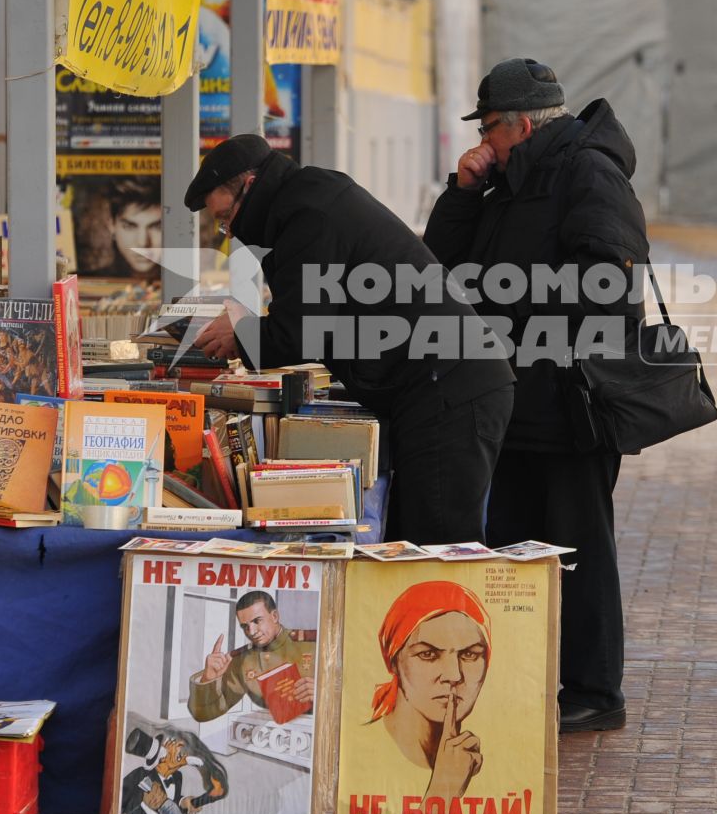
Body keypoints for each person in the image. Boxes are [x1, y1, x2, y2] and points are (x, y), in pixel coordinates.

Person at [424, 58, 651, 734]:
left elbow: (609, 286)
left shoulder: (587, 172)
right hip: (516, 402)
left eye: (489, 128)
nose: (482, 141)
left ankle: (594, 688)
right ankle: (530, 678)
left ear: (521, 124)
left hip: (571, 399)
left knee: (578, 546)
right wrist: (464, 192)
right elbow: (442, 270)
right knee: (516, 549)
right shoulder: (511, 181)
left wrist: (515, 315)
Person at [185, 134, 515, 544]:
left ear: (250, 186)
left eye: (226, 218)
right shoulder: (305, 199)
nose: (230, 233)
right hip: (440, 385)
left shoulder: (307, 214)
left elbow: (300, 331)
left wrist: (241, 332)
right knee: (413, 541)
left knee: (438, 548)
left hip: (449, 389)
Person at [366, 580, 490, 800]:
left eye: (470, 655)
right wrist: (443, 791)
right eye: (428, 654)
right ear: (394, 661)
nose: (453, 675)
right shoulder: (362, 751)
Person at [188, 590, 314, 723]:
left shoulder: (311, 644)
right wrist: (208, 679)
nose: (251, 632)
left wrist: (322, 694)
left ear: (275, 616)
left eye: (257, 621)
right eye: (245, 626)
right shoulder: (243, 660)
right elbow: (202, 714)